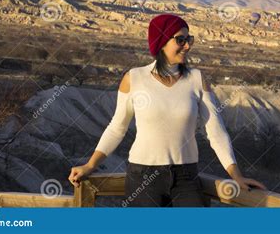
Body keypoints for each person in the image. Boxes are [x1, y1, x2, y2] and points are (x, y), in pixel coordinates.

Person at [69, 14, 266, 206]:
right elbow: (116, 128)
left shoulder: (197, 79)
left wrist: (236, 176)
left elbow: (216, 131)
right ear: (161, 42)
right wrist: (90, 165)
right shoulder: (134, 78)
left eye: (189, 39)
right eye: (180, 40)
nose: (187, 45)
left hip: (186, 177)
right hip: (142, 177)